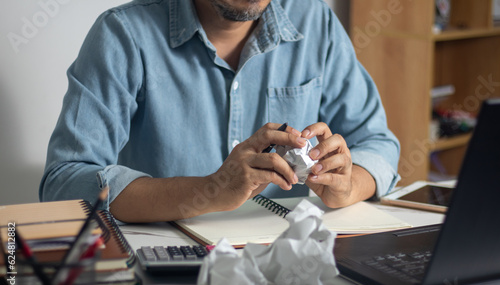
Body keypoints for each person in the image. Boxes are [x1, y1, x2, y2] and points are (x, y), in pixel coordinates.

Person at [39, 0, 400, 223]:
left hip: (293, 262)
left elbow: (378, 143)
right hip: (168, 274)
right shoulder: (123, 34)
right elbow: (64, 184)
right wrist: (210, 190)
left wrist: (349, 185)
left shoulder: (316, 22)